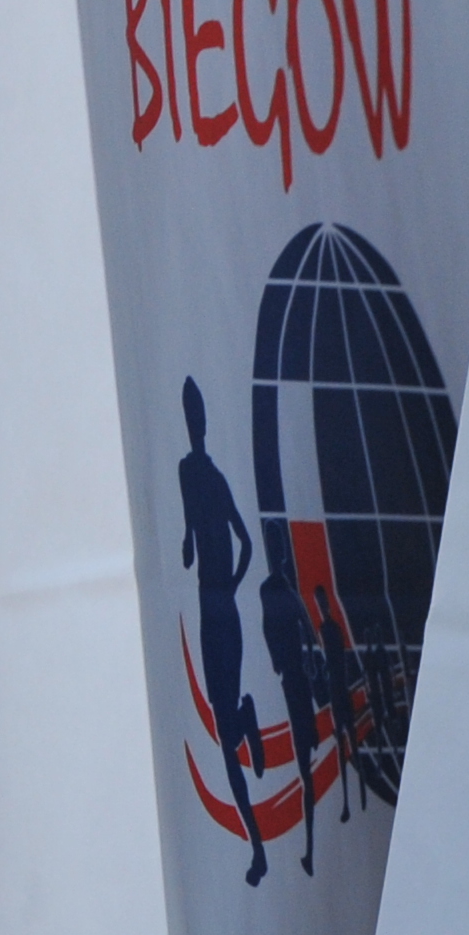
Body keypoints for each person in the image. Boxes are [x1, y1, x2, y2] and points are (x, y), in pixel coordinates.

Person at [175, 379, 268, 886]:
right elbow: (191, 533)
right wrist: (192, 548)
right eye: (191, 415)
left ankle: (258, 850)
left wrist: (230, 584)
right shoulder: (189, 472)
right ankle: (245, 717)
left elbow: (246, 542)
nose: (195, 424)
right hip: (211, 605)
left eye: (197, 415)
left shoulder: (210, 477)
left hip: (221, 605)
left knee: (227, 743)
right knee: (224, 729)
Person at [258, 540, 325, 877]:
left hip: (297, 678)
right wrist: (277, 658)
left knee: (306, 768)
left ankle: (312, 849)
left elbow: (305, 626)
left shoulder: (283, 589)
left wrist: (308, 659)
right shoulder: (271, 589)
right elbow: (270, 626)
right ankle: (310, 849)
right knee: (304, 770)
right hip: (290, 677)